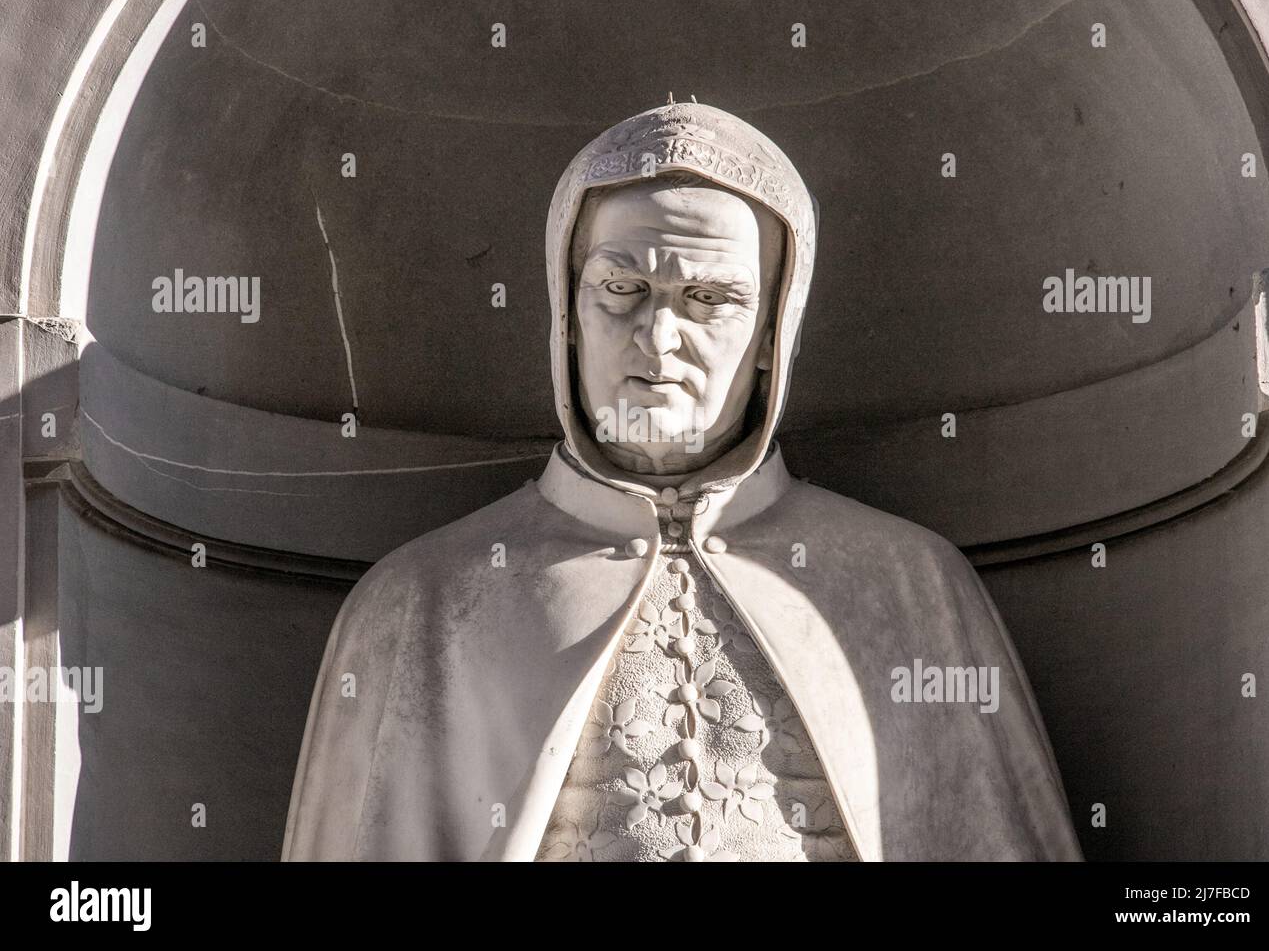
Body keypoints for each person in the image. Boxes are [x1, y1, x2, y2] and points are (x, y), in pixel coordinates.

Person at [282, 101, 1081, 861]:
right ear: (569, 311)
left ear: (773, 333)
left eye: (709, 300)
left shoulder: (912, 588)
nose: (658, 339)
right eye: (623, 290)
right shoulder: (425, 600)